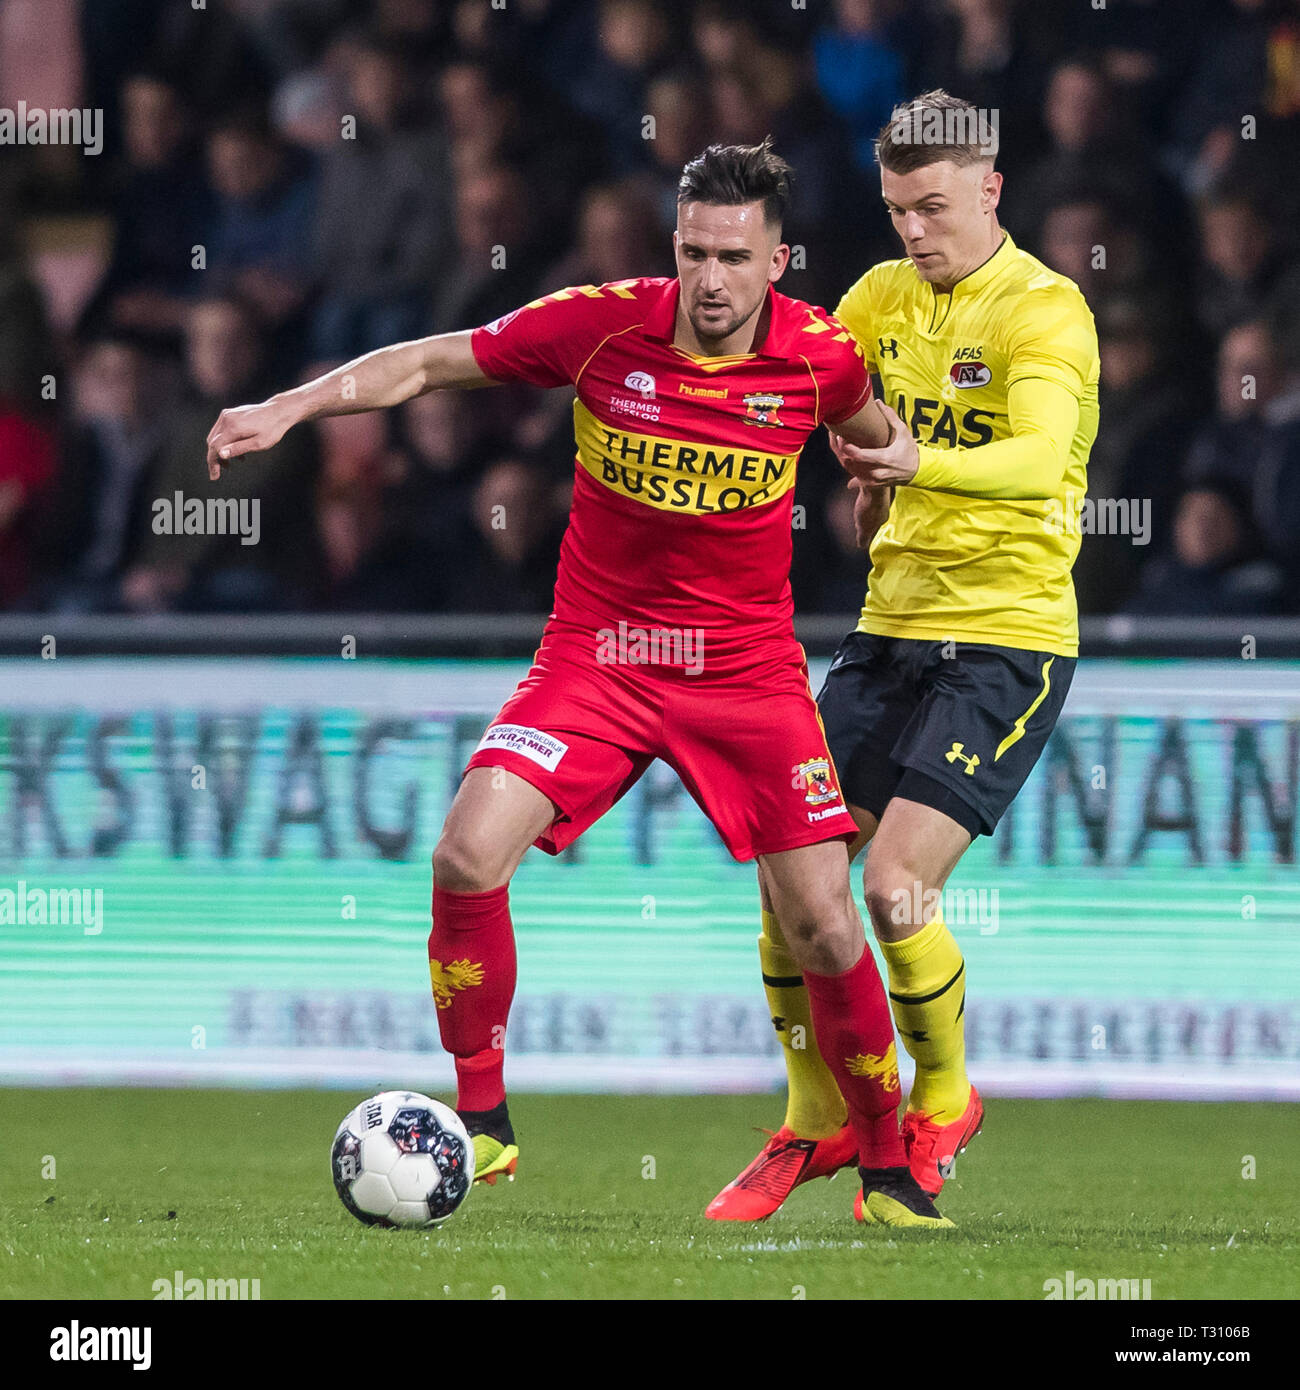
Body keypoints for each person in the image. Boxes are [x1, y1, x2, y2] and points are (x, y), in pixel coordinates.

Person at [207, 140, 953, 1229]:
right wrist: (291, 406)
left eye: (733, 258)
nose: (709, 280)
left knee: (826, 927)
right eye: (693, 251)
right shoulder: (602, 324)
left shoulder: (817, 358)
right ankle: (484, 1121)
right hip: (597, 658)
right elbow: (428, 361)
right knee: (465, 851)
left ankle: (891, 1167)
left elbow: (874, 434)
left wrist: (880, 493)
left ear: (777, 261)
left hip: (744, 672)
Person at [708, 92, 1100, 1221]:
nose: (914, 232)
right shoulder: (876, 299)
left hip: (1007, 636)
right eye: (894, 210)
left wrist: (909, 463)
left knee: (890, 889)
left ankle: (945, 1095)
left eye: (933, 206)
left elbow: (1031, 459)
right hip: (888, 626)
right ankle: (812, 1115)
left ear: (990, 189)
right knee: (792, 894)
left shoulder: (1044, 309)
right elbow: (794, 392)